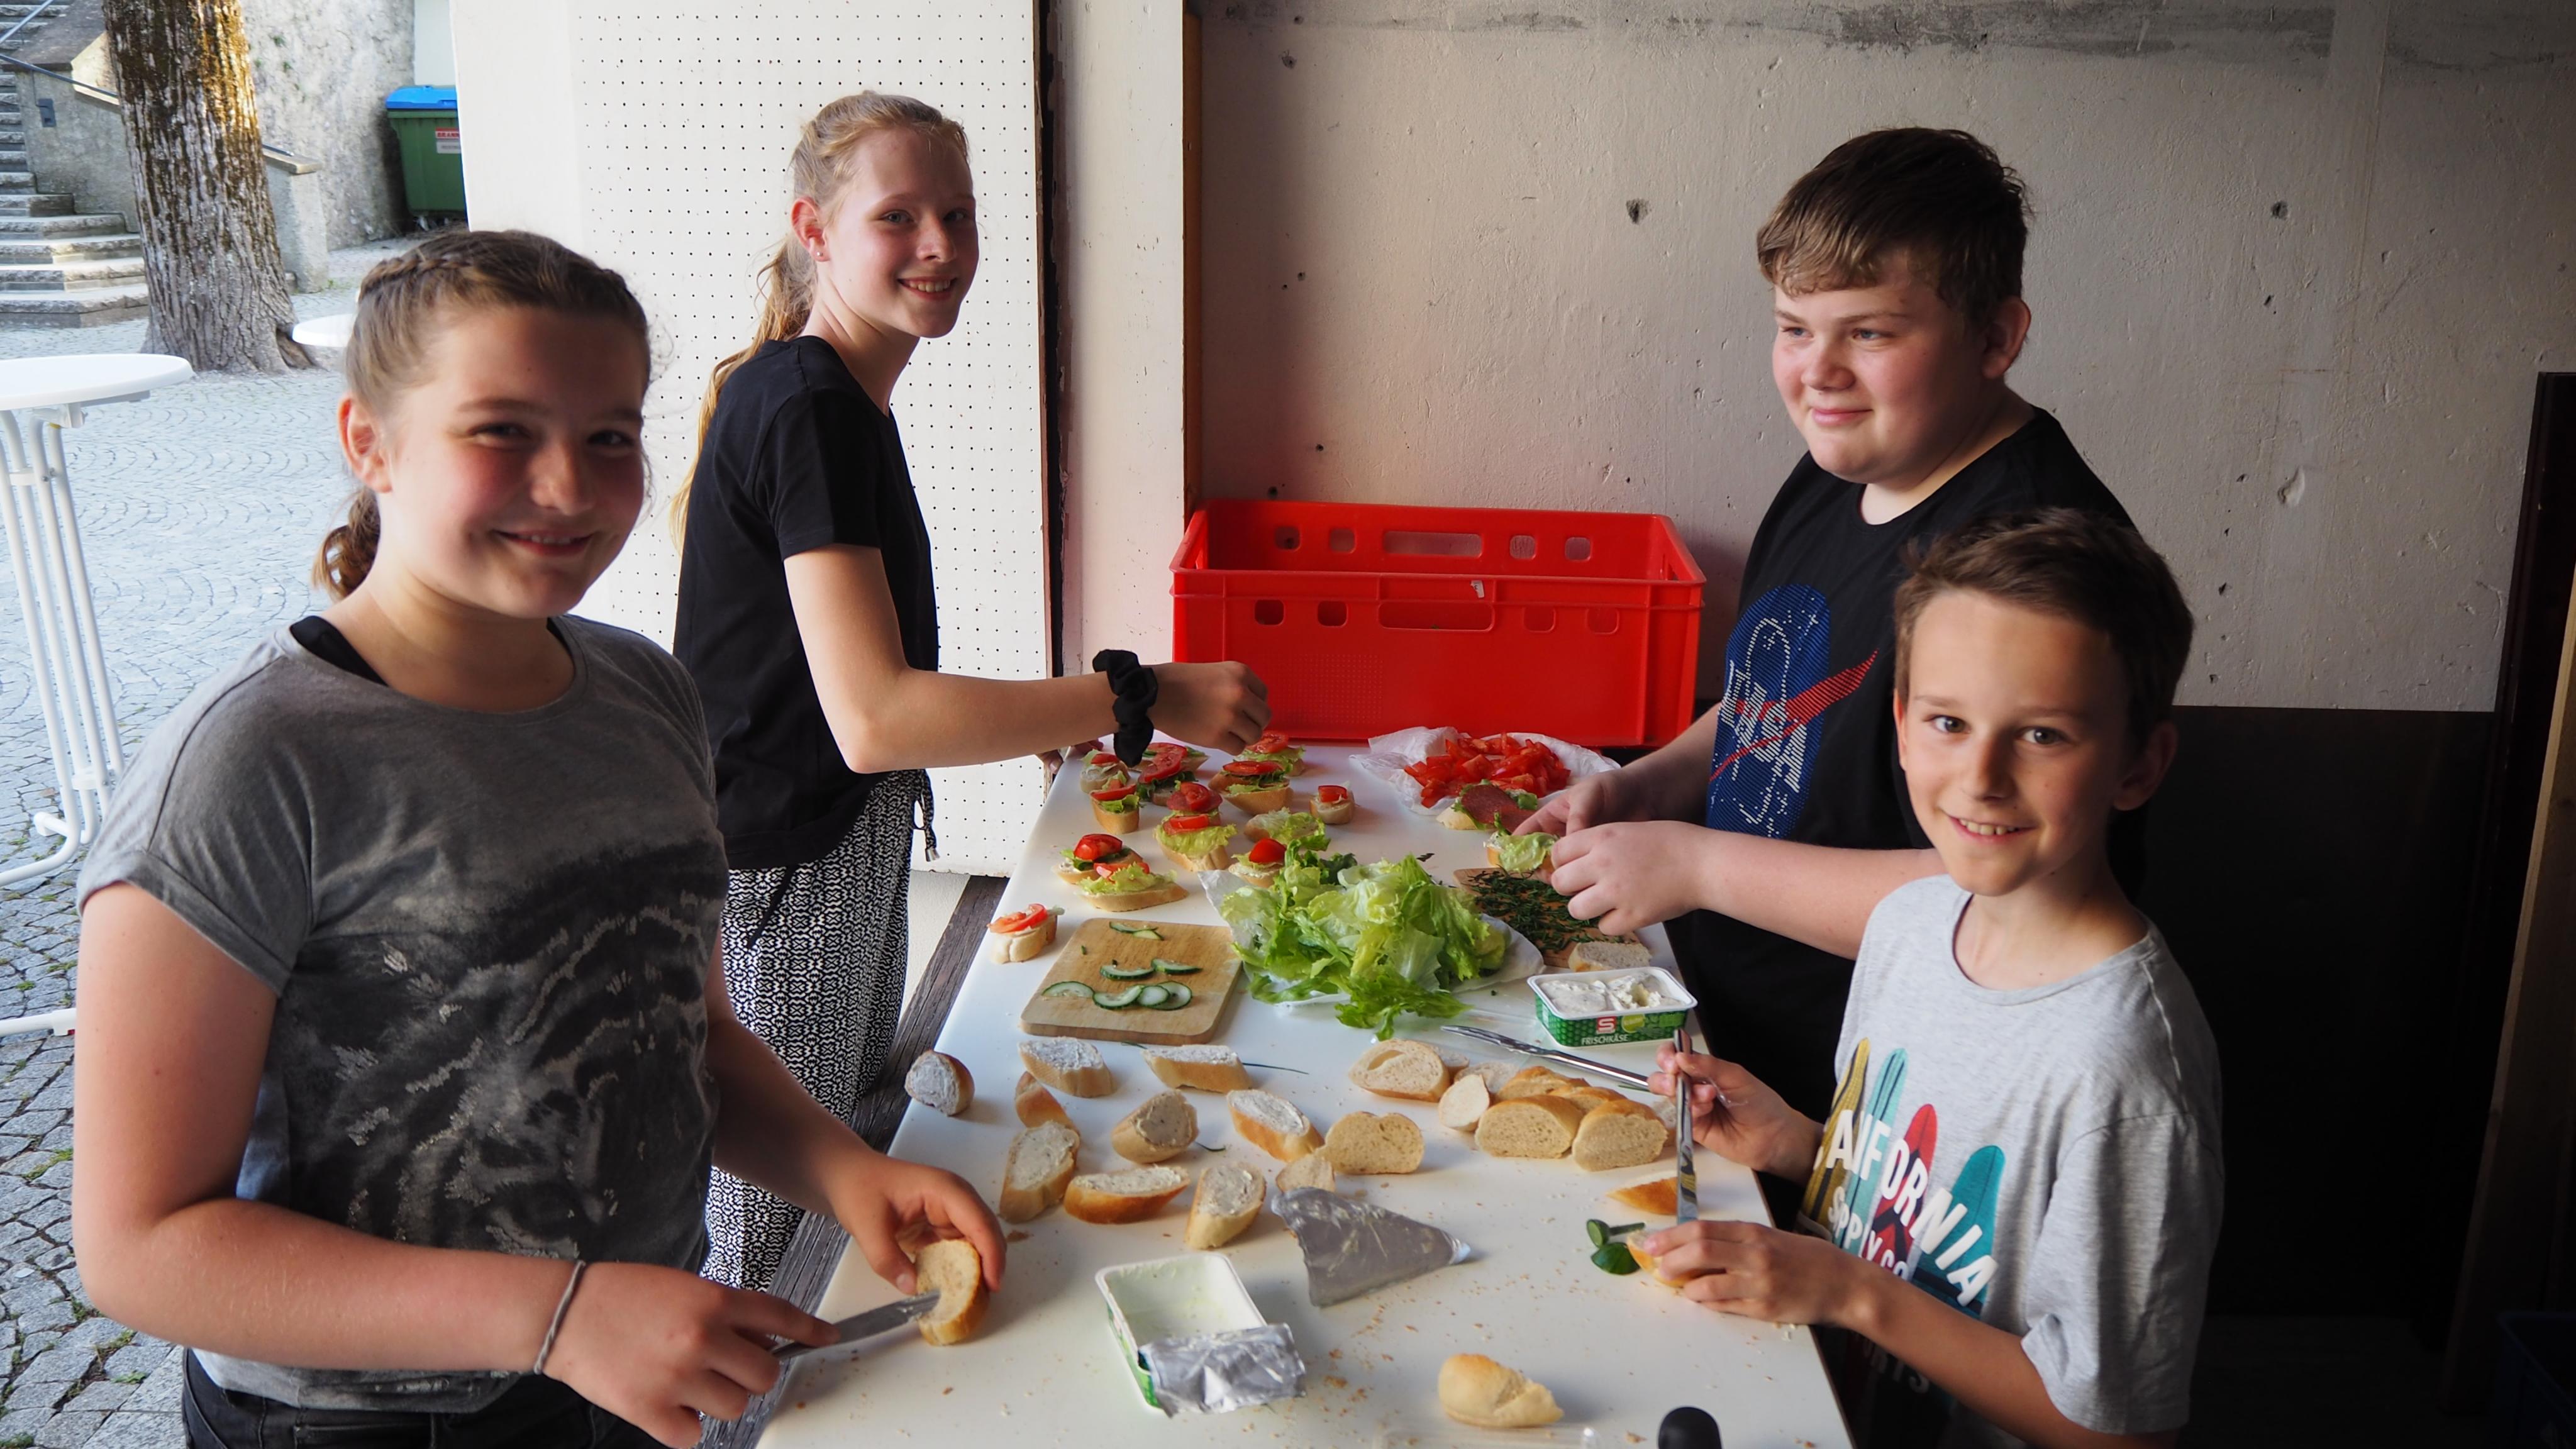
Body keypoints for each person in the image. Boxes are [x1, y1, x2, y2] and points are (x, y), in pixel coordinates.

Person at [69, 229, 1006, 1449]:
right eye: (502, 430)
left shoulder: (649, 696)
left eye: (610, 436)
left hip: (622, 1367)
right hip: (361, 1426)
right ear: (368, 442)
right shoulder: (251, 766)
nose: (568, 486)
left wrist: (847, 1173)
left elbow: (684, 1036)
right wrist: (556, 1317)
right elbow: (141, 1247)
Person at [671, 92, 1267, 1292]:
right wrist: (1136, 694)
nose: (940, 245)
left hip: (837, 841)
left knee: (852, 1121)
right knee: (775, 1214)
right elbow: (877, 717)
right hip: (787, 864)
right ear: (814, 230)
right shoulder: (810, 406)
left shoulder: (833, 395)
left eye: (959, 213)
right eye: (898, 216)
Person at [1528, 128, 2134, 1121]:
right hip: (1727, 1042)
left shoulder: (2032, 567)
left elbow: (1999, 897)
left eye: (1872, 334)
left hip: (1873, 1109)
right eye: (1794, 328)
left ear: (1996, 338)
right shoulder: (1843, 466)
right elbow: (1777, 705)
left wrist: (1698, 865)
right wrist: (1644, 786)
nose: (1819, 373)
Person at [1636, 510, 2221, 1449]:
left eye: (2044, 735)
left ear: (2140, 765)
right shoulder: (1910, 923)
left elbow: (2115, 1432)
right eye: (1949, 722)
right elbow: (1931, 1219)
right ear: (1904, 726)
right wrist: (1802, 1147)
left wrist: (1850, 1293)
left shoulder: (2123, 1069)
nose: (1981, 776)